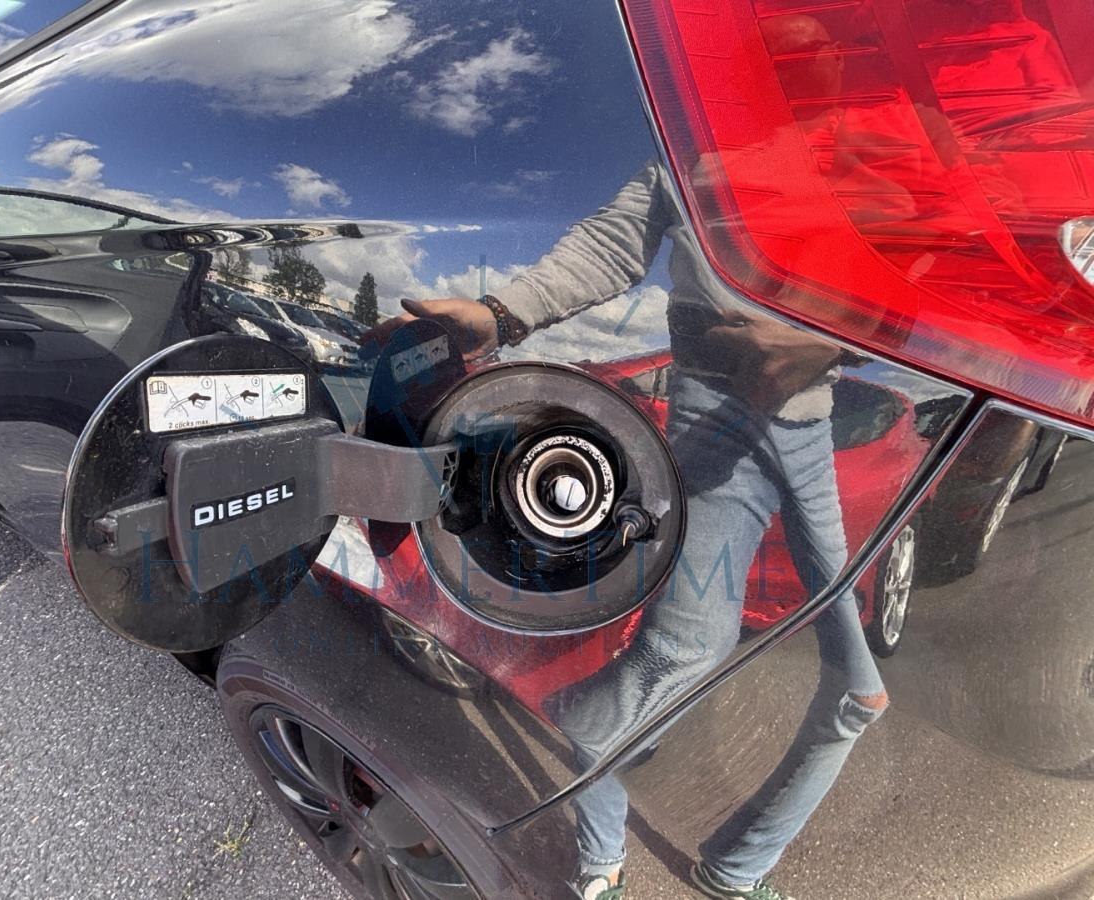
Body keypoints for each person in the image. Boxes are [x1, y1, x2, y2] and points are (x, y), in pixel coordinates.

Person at [365, 16, 893, 899]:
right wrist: (500, 314)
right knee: (676, 658)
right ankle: (601, 856)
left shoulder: (869, 162)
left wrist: (834, 343)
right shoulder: (704, 153)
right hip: (717, 420)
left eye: (827, 41)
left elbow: (906, 278)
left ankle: (729, 866)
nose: (808, 53)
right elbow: (612, 245)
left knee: (859, 695)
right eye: (785, 40)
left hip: (810, 429)